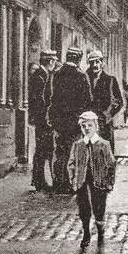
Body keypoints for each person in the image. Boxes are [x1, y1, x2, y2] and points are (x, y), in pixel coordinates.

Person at [47, 47, 94, 194]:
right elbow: (88, 100)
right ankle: (72, 183)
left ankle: (59, 182)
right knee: (74, 153)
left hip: (60, 122)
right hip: (75, 122)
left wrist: (54, 118)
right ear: (79, 59)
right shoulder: (81, 75)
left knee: (60, 152)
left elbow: (52, 98)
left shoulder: (57, 74)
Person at [68, 111, 116, 249]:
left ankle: (100, 228)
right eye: (84, 126)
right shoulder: (78, 145)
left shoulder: (103, 144)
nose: (87, 128)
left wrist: (110, 181)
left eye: (90, 125)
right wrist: (73, 179)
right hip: (82, 181)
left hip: (99, 180)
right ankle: (86, 233)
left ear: (96, 126)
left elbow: (111, 164)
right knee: (84, 207)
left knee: (99, 205)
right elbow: (71, 163)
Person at [27, 49, 58, 191]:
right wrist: (47, 118)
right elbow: (40, 101)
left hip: (42, 119)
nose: (55, 63)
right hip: (43, 120)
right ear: (50, 61)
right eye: (54, 60)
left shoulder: (43, 75)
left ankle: (39, 180)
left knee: (43, 150)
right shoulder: (40, 76)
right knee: (42, 150)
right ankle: (39, 181)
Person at [87, 50, 124, 146]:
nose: (95, 65)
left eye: (97, 62)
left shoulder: (110, 80)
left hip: (104, 124)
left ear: (102, 62)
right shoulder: (84, 79)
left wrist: (107, 115)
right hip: (88, 123)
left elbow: (119, 101)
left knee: (105, 152)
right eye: (92, 62)